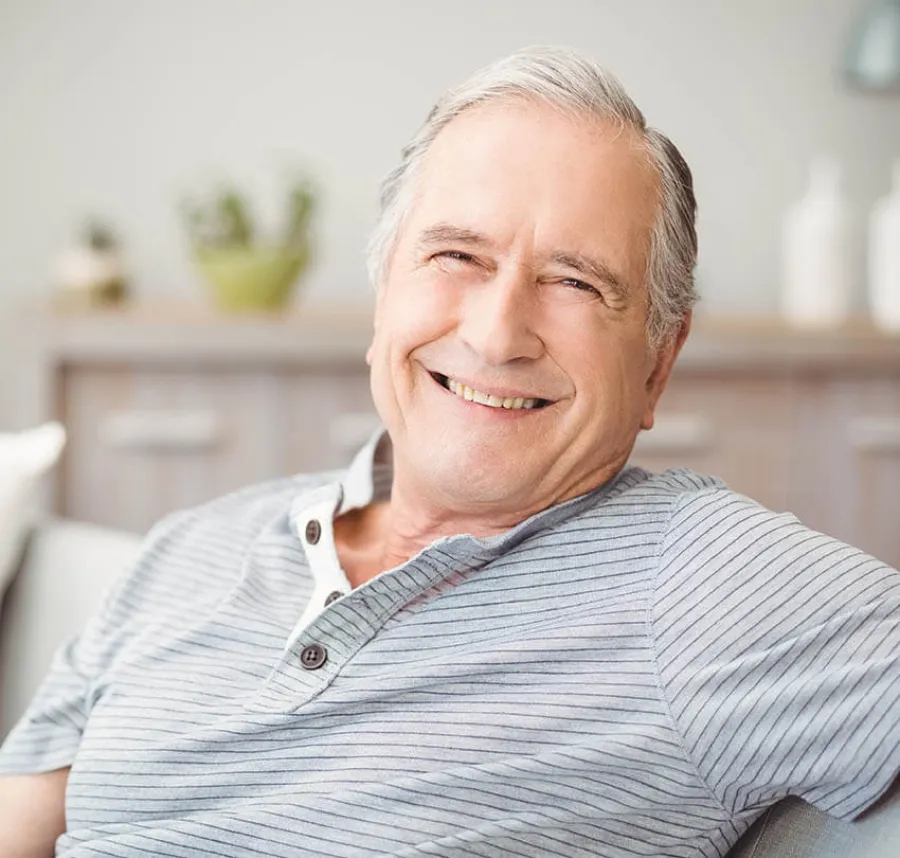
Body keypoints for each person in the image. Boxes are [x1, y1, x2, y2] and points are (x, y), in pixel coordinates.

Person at [1, 46, 897, 858]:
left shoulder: (704, 584)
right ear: (383, 292)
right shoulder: (193, 545)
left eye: (575, 281)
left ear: (658, 365)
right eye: (457, 256)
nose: (498, 330)